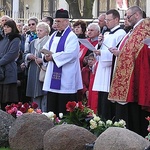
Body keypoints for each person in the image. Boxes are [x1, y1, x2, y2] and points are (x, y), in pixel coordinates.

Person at [108, 6, 150, 137]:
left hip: (138, 75)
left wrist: (122, 54)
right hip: (131, 73)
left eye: (128, 16)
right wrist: (120, 53)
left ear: (137, 15)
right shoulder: (134, 30)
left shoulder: (143, 29)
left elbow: (137, 52)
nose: (126, 19)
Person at [42, 9, 83, 115]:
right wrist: (45, 57)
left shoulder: (71, 37)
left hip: (66, 78)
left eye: (58, 21)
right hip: (52, 77)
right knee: (52, 108)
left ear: (66, 21)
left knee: (63, 110)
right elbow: (45, 48)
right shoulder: (53, 35)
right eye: (55, 21)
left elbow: (71, 54)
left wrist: (53, 57)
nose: (56, 24)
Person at [93, 9, 126, 120]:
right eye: (105, 20)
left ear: (116, 19)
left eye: (108, 20)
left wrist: (101, 52)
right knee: (102, 100)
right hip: (102, 71)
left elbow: (118, 52)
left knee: (108, 103)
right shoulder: (106, 33)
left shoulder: (121, 33)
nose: (106, 22)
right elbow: (102, 51)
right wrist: (99, 45)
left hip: (111, 71)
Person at [24, 22, 50, 112]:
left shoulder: (50, 42)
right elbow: (25, 53)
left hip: (44, 70)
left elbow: (52, 56)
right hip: (33, 69)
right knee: (34, 95)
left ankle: (45, 114)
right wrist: (28, 56)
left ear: (46, 32)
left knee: (44, 93)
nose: (38, 32)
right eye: (37, 30)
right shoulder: (33, 42)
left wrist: (42, 60)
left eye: (41, 30)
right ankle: (36, 113)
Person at [0, 19, 21, 110]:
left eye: (8, 27)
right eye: (4, 26)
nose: (5, 28)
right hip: (1, 71)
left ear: (12, 28)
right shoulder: (2, 39)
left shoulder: (15, 39)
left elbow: (11, 54)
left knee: (8, 100)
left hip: (9, 71)